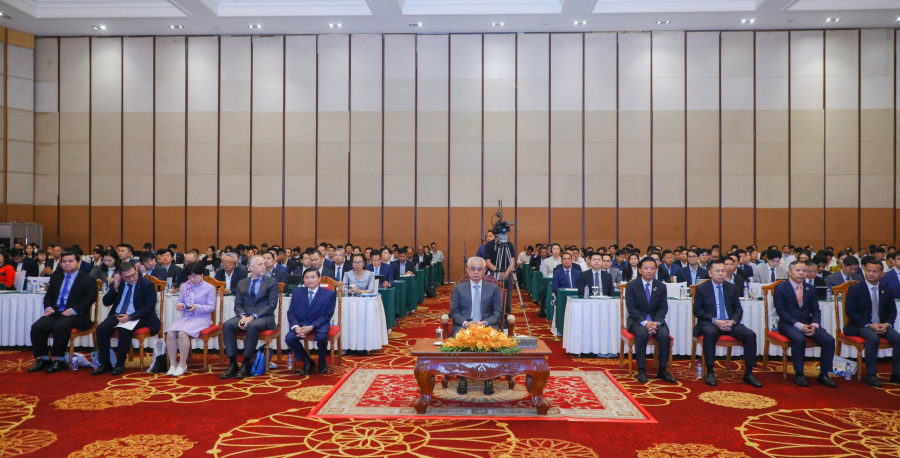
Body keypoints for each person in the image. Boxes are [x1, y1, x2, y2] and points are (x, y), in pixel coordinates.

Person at [692, 260, 762, 388]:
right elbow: (697, 311)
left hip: (729, 323)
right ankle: (710, 371)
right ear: (710, 273)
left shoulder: (731, 287)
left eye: (723, 271)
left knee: (750, 334)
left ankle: (749, 373)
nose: (721, 274)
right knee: (710, 333)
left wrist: (732, 321)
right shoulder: (702, 288)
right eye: (717, 271)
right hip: (711, 322)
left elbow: (738, 309)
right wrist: (715, 321)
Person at [28, 250, 98, 374]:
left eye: (70, 261)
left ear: (78, 262)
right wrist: (48, 307)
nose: (67, 264)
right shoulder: (56, 278)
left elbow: (90, 298)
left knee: (60, 326)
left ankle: (59, 359)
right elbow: (48, 297)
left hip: (78, 315)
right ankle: (44, 358)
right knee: (37, 327)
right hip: (57, 312)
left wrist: (73, 310)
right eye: (64, 261)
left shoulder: (87, 279)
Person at [773, 260, 837, 388]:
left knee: (829, 340)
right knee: (799, 339)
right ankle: (799, 373)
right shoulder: (780, 288)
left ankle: (824, 374)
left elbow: (816, 310)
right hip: (788, 324)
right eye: (798, 270)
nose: (801, 273)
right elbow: (781, 311)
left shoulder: (810, 288)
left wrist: (815, 324)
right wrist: (799, 326)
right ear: (790, 272)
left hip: (808, 323)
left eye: (804, 271)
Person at [92, 262, 160, 376]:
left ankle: (120, 364)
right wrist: (114, 288)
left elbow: (149, 307)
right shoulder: (120, 283)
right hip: (118, 314)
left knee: (124, 330)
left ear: (136, 271)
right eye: (127, 277)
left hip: (139, 316)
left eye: (133, 275)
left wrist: (130, 317)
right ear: (121, 276)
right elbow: (106, 302)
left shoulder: (147, 284)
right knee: (101, 329)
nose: (131, 278)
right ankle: (105, 363)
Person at [449, 256, 503, 395]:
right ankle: (462, 378)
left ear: (485, 270)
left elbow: (497, 312)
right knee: (461, 337)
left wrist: (484, 323)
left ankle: (488, 378)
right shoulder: (459, 288)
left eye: (479, 269)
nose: (476, 272)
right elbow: (454, 312)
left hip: (486, 325)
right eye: (473, 269)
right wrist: (466, 323)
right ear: (467, 270)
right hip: (464, 325)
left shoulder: (493, 288)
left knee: (490, 339)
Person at [842, 258, 900, 387]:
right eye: (869, 270)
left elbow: (892, 311)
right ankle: (871, 374)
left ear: (882, 274)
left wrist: (887, 324)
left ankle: (897, 374)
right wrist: (869, 325)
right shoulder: (855, 289)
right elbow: (850, 312)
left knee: (898, 339)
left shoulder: (887, 290)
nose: (871, 273)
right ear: (864, 271)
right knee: (873, 338)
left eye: (875, 271)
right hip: (860, 325)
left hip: (882, 325)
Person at [221, 255, 280, 380]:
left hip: (264, 317)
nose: (264, 266)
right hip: (245, 315)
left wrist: (253, 316)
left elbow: (271, 306)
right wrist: (242, 316)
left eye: (264, 264)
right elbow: (238, 305)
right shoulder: (242, 283)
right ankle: (232, 363)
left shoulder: (272, 282)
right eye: (260, 264)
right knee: (227, 325)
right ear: (251, 267)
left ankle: (246, 363)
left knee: (253, 325)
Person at [625, 257, 676, 384]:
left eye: (652, 268)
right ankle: (642, 369)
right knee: (642, 335)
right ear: (640, 270)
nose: (649, 271)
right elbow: (631, 308)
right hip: (637, 321)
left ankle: (662, 370)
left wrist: (656, 323)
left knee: (664, 336)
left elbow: (663, 307)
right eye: (646, 268)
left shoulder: (661, 286)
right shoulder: (632, 285)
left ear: (656, 270)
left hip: (655, 321)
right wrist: (645, 323)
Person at [165, 262, 216, 376]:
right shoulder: (185, 286)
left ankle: (182, 364)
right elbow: (180, 301)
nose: (192, 279)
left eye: (194, 276)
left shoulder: (209, 288)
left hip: (202, 318)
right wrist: (180, 305)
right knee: (170, 332)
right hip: (186, 316)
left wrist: (197, 307)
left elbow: (211, 307)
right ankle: (173, 364)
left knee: (182, 333)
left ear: (202, 274)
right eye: (189, 277)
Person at [286, 268, 336, 375]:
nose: (310, 280)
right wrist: (296, 327)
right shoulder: (297, 292)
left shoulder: (329, 294)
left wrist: (311, 327)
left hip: (320, 324)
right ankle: (307, 361)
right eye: (306, 278)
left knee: (322, 338)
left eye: (313, 277)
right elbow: (291, 312)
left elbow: (327, 315)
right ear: (303, 280)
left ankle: (322, 361)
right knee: (289, 338)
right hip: (301, 324)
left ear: (319, 279)